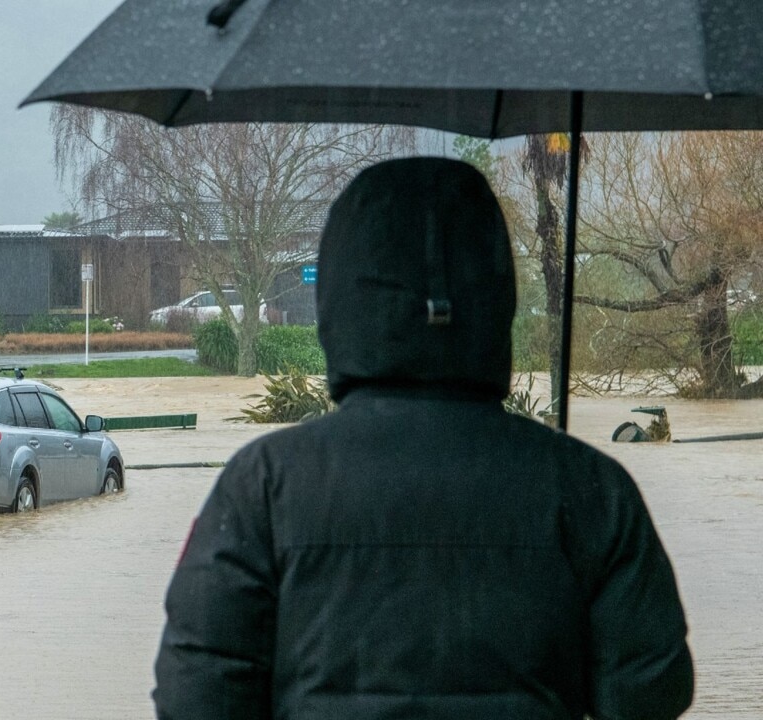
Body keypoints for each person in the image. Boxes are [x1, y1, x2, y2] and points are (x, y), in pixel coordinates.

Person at [152, 158, 693, 720]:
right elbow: (651, 691)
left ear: (338, 302)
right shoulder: (591, 488)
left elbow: (196, 692)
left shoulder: (261, 484)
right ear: (495, 295)